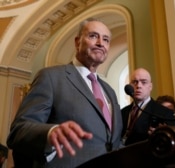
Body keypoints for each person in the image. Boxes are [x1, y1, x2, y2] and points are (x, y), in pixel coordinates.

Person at [6, 18, 123, 167]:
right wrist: (50, 133)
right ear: (77, 42)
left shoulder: (110, 91)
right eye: (93, 36)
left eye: (106, 39)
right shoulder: (51, 77)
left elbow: (113, 142)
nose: (100, 43)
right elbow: (19, 131)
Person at [121, 68, 175, 146]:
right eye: (135, 82)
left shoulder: (165, 113)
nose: (138, 86)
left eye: (144, 82)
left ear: (150, 86)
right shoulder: (122, 112)